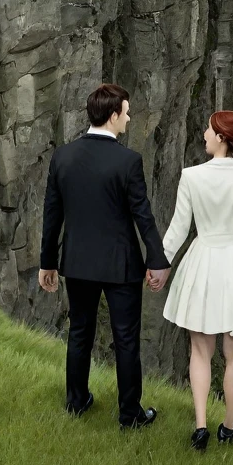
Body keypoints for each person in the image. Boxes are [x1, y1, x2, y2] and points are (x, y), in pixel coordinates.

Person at [38, 83, 171, 429]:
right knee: (126, 339)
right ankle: (130, 415)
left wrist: (47, 262)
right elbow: (143, 216)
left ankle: (76, 402)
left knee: (79, 331)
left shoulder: (62, 157)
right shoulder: (128, 162)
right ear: (113, 116)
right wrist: (157, 260)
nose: (128, 118)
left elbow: (52, 214)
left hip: (77, 263)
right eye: (126, 112)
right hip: (120, 265)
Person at [161, 110, 233, 451]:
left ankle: (200, 426)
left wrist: (159, 265)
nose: (204, 135)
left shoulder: (191, 177)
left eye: (209, 130)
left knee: (200, 349)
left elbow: (178, 230)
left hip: (203, 262)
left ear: (222, 138)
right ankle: (228, 427)